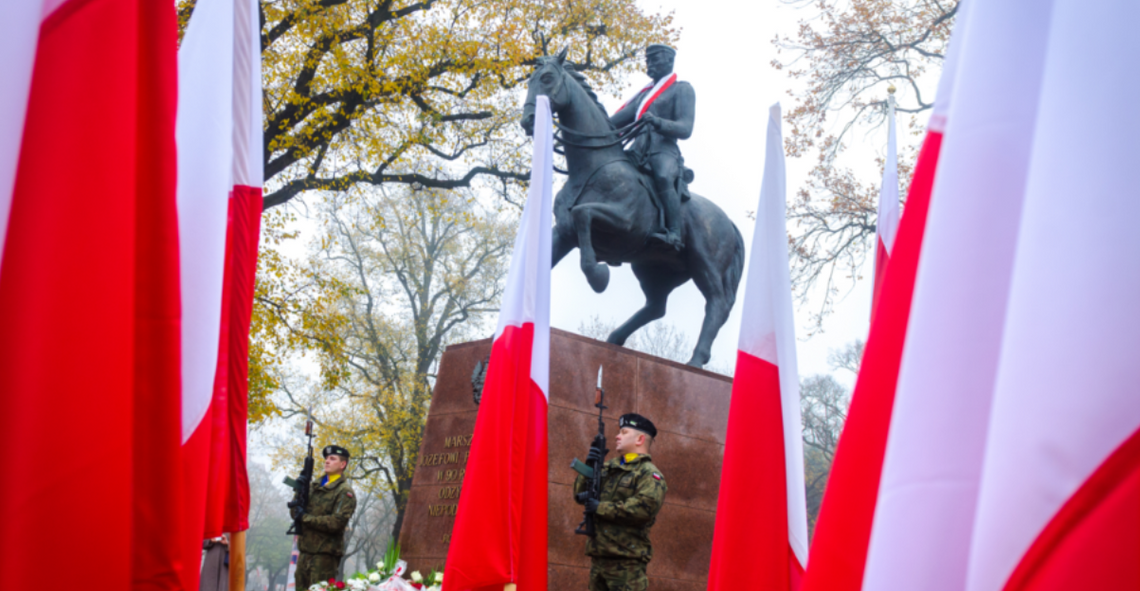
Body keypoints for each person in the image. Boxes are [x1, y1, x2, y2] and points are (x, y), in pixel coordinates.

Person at [610, 44, 695, 251]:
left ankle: (674, 233)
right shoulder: (642, 97)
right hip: (637, 150)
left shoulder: (682, 89)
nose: (650, 64)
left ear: (669, 61)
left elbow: (685, 128)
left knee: (663, 176)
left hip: (664, 150)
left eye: (655, 60)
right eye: (648, 60)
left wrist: (658, 122)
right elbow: (613, 123)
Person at [573, 414, 668, 591]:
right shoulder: (608, 468)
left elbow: (642, 509)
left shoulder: (649, 474)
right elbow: (580, 494)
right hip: (599, 559)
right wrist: (590, 466)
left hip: (626, 564)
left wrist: (600, 508)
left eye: (624, 432)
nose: (617, 436)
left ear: (640, 439)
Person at [294, 445, 357, 591]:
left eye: (332, 459)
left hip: (324, 557)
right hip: (304, 553)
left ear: (343, 464)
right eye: (326, 458)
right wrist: (299, 490)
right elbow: (295, 513)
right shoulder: (312, 486)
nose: (327, 461)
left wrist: (305, 518)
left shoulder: (344, 492)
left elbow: (336, 523)